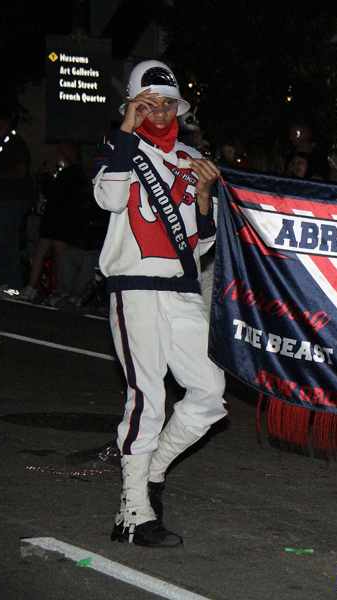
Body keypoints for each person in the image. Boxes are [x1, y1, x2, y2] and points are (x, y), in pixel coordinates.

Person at [93, 60, 227, 547]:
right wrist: (126, 129)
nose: (162, 111)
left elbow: (202, 244)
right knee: (147, 398)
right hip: (134, 286)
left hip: (181, 290)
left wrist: (206, 194)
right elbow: (108, 200)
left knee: (210, 392)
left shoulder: (192, 157)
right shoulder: (120, 146)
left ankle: (153, 471)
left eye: (169, 102)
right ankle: (132, 513)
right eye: (150, 103)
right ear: (134, 104)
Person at [19, 143, 88, 304]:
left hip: (61, 220)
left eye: (59, 153)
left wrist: (46, 178)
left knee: (58, 255)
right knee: (46, 253)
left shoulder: (71, 174)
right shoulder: (73, 173)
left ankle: (63, 290)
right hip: (57, 219)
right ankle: (40, 287)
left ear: (65, 155)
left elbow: (55, 193)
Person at [0, 106, 34, 291]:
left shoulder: (15, 144)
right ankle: (1, 281)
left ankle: (10, 284)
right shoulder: (2, 146)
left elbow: (19, 173)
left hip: (10, 200)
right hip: (3, 200)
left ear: (6, 123)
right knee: (1, 240)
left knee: (6, 240)